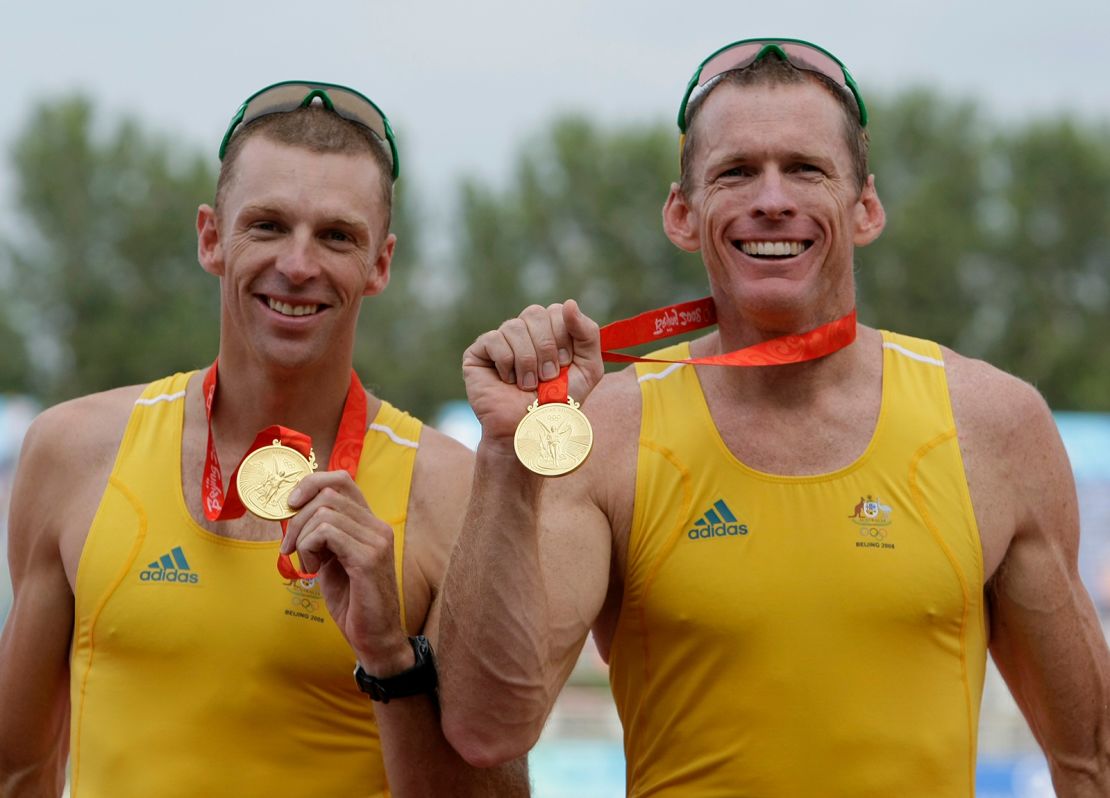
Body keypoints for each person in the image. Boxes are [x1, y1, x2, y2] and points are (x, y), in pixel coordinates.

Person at [438, 39, 1110, 796]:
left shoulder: (994, 425)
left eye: (805, 168)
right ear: (682, 214)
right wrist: (504, 456)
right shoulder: (605, 433)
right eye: (736, 172)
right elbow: (485, 728)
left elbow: (1090, 760)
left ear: (866, 208)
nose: (772, 199)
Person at [0, 81, 526, 797]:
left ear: (381, 263)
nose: (299, 265)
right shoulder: (73, 452)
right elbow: (20, 766)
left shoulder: (448, 489)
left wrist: (390, 659)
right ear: (212, 237)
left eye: (336, 235)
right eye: (269, 225)